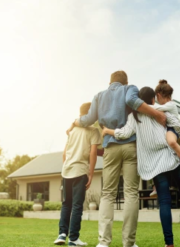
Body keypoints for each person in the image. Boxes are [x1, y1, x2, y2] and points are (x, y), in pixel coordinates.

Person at [67, 71, 166, 247]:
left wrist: (76, 121)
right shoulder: (130, 88)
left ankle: (104, 242)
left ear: (110, 82)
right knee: (131, 194)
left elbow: (89, 119)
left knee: (108, 194)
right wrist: (157, 114)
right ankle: (129, 243)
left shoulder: (99, 96)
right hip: (130, 147)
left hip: (110, 147)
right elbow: (132, 101)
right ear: (125, 81)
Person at [102, 86, 180, 247]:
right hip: (172, 158)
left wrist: (107, 131)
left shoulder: (134, 116)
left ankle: (169, 243)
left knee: (164, 202)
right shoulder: (160, 110)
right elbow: (176, 126)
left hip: (156, 166)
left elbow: (123, 133)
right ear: (153, 99)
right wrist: (175, 134)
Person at [54, 102, 102, 246]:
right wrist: (91, 174)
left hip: (67, 171)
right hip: (80, 171)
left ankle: (62, 235)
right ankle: (73, 238)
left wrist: (65, 168)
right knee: (76, 206)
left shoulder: (72, 130)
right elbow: (93, 153)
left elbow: (64, 153)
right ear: (90, 114)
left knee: (66, 204)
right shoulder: (93, 131)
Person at [149, 80, 180, 198]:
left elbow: (156, 109)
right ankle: (155, 186)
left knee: (171, 142)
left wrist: (142, 105)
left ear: (159, 95)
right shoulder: (167, 105)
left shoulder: (171, 104)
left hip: (173, 129)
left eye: (156, 98)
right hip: (167, 130)